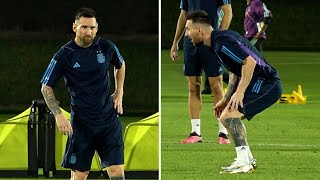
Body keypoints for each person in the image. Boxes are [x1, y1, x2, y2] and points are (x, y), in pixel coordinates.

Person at [185, 10, 282, 173]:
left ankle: (245, 163)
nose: (187, 34)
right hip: (257, 81)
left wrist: (240, 92)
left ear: (200, 30)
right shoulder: (217, 43)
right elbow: (234, 71)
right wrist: (227, 97)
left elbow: (249, 63)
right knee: (225, 117)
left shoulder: (221, 42)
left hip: (266, 82)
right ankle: (246, 160)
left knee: (229, 116)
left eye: (188, 29)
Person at [40, 8, 125, 180]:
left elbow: (121, 64)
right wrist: (58, 115)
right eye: (84, 27)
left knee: (116, 172)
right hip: (82, 125)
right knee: (80, 174)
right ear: (74, 27)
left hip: (108, 122)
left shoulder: (107, 47)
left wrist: (119, 91)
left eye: (92, 27)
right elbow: (45, 87)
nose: (89, 31)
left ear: (97, 27)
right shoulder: (64, 55)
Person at [170, 0, 232, 144]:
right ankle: (195, 132)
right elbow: (183, 15)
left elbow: (228, 12)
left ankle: (223, 133)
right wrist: (175, 42)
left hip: (210, 40)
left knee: (216, 86)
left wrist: (219, 38)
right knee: (193, 86)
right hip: (191, 42)